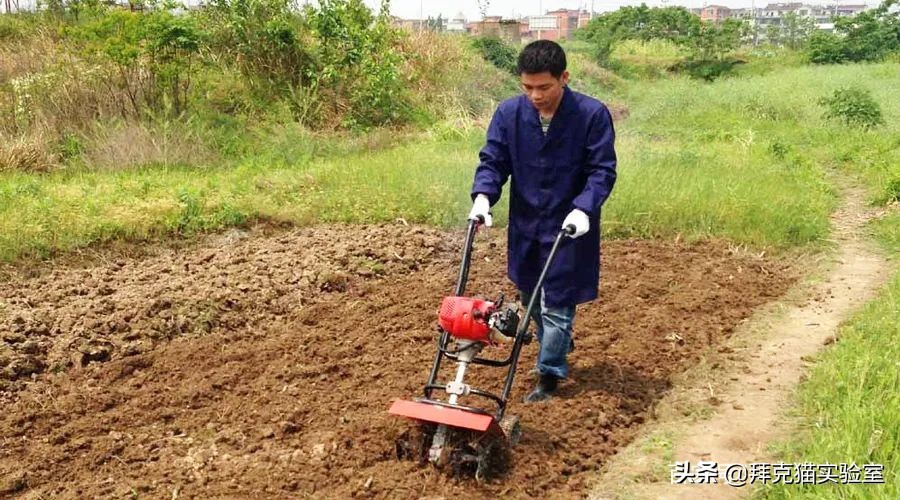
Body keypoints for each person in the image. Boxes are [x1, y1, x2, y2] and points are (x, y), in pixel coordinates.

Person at [468, 40, 617, 403]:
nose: (535, 95)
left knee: (557, 303)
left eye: (544, 87)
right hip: (527, 223)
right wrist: (484, 197)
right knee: (530, 295)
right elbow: (494, 161)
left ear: (564, 78)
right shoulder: (508, 114)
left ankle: (549, 374)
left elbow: (602, 170)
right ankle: (559, 337)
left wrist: (585, 208)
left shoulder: (591, 115)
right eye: (527, 87)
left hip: (569, 224)